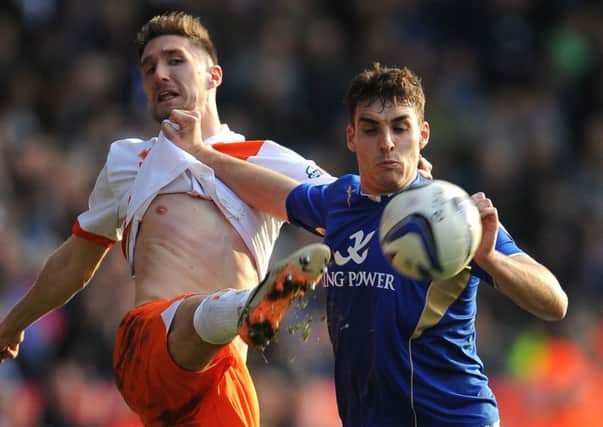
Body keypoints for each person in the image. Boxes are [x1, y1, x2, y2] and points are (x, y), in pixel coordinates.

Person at [161, 63, 569, 427]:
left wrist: (492, 258)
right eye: (372, 129)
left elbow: (555, 303)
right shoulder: (341, 200)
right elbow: (275, 191)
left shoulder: (451, 216)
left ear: (422, 134)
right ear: (352, 137)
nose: (387, 142)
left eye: (400, 127)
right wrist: (200, 152)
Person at [0, 11, 337, 427]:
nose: (159, 74)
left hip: (222, 377)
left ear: (214, 75)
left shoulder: (263, 158)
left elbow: (347, 208)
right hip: (147, 351)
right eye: (149, 67)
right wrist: (13, 325)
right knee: (187, 318)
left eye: (174, 60)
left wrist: (403, 186)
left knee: (223, 353)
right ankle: (247, 307)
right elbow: (75, 262)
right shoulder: (129, 160)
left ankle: (248, 309)